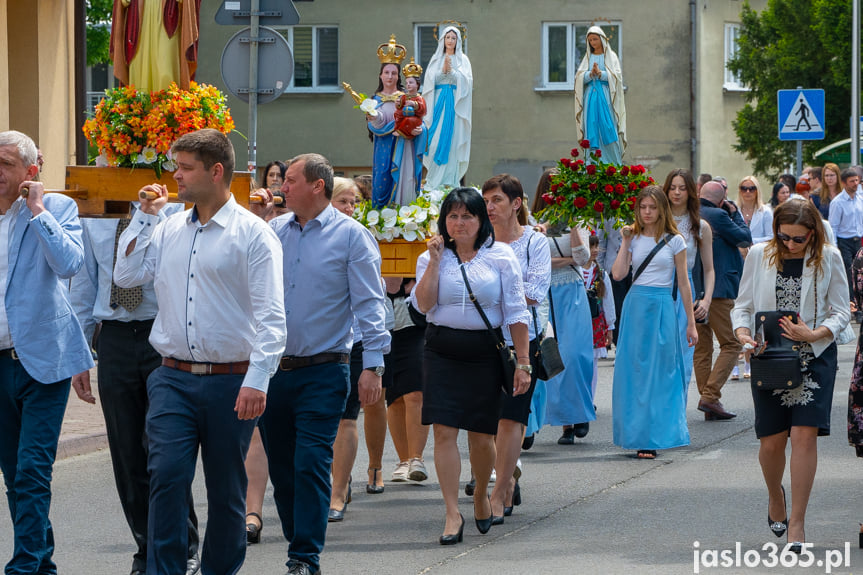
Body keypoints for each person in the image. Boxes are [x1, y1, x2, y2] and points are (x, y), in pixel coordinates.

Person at [113, 128, 287, 575]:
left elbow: (272, 317)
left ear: (216, 171)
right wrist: (144, 217)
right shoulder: (168, 226)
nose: (176, 176)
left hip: (232, 378)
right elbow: (127, 276)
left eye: (185, 167)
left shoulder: (253, 234)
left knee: (226, 490)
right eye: (176, 165)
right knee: (166, 478)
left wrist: (257, 379)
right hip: (171, 375)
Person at [251, 154, 390, 575]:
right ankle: (299, 537)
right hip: (274, 370)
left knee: (311, 461)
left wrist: (374, 365)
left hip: (325, 368)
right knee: (283, 468)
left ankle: (304, 557)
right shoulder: (273, 231)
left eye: (290, 180)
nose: (282, 186)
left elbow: (370, 303)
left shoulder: (352, 236)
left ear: (317, 186)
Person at [70, 201, 202, 575]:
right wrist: (81, 353)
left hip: (162, 334)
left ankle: (183, 547)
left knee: (164, 452)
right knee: (127, 453)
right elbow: (84, 284)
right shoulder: (95, 213)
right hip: (112, 337)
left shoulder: (176, 212)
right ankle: (146, 548)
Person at [412, 187, 531, 544]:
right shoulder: (432, 257)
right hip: (441, 350)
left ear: (481, 220)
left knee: (481, 435)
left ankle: (481, 493)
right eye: (453, 216)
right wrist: (434, 261)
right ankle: (451, 512)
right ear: (443, 220)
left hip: (484, 352)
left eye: (467, 216)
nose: (459, 223)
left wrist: (522, 361)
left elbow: (516, 312)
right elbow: (422, 305)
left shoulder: (501, 256)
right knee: (444, 431)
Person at [0, 131, 94, 575]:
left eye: (4, 164)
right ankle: (42, 564)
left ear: (29, 172)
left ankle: (24, 566)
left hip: (44, 362)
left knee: (32, 470)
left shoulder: (57, 209)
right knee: (14, 476)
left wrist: (37, 210)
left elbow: (70, 263)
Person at [733, 200, 849, 553]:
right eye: (784, 237)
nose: (791, 245)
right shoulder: (759, 254)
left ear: (812, 233)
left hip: (814, 355)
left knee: (803, 436)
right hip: (770, 355)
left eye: (799, 239)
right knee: (771, 441)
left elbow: (842, 310)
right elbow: (743, 305)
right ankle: (775, 496)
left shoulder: (829, 256)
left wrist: (816, 334)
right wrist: (743, 335)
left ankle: (797, 522)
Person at [482, 174, 551, 523]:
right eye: (486, 201)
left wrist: (490, 293)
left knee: (511, 417)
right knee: (487, 418)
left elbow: (534, 292)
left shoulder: (534, 244)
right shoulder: (478, 242)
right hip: (480, 340)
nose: (489, 207)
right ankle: (503, 476)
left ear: (516, 204)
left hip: (521, 342)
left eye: (496, 200)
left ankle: (501, 487)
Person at [611, 186, 697, 459]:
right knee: (634, 372)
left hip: (662, 306)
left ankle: (657, 434)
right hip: (636, 305)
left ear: (662, 209)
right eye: (642, 207)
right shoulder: (633, 238)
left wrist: (691, 323)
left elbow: (683, 284)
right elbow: (618, 274)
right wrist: (625, 243)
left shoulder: (675, 241)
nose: (647, 212)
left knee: (662, 373)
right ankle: (637, 436)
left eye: (652, 207)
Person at [326, 177, 393, 521]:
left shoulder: (359, 236)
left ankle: (338, 492)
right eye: (343, 202)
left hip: (352, 340)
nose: (350, 209)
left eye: (353, 202)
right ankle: (335, 479)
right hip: (315, 342)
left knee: (345, 418)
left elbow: (374, 295)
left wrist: (374, 356)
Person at [693, 181, 752, 420]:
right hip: (718, 290)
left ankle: (710, 401)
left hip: (695, 289)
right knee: (731, 344)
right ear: (721, 199)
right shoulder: (717, 214)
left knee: (702, 347)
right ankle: (709, 396)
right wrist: (736, 213)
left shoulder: (692, 212)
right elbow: (744, 238)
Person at [663, 169, 715, 389]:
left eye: (682, 188)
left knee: (683, 356)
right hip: (659, 288)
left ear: (691, 192)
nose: (676, 193)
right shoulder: (656, 222)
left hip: (685, 290)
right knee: (661, 357)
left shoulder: (700, 226)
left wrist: (706, 301)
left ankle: (677, 417)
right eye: (672, 187)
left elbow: (710, 269)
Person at [368, 45, 426, 207]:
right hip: (384, 147)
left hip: (403, 146)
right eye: (386, 72)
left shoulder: (407, 97)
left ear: (398, 76)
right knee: (381, 181)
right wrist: (373, 117)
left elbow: (421, 119)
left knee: (404, 179)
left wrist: (420, 130)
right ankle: (381, 218)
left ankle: (402, 214)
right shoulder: (375, 100)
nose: (390, 76)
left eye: (394, 73)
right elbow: (376, 124)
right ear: (380, 75)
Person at [384, 277, 429, 483]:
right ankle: (403, 461)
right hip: (384, 323)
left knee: (415, 392)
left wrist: (416, 282)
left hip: (415, 325)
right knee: (394, 398)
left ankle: (416, 459)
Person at [421, 25, 473, 190]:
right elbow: (429, 83)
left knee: (452, 143)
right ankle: (433, 181)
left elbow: (467, 83)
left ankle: (449, 182)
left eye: (453, 38)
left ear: (458, 41)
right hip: (438, 105)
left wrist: (453, 74)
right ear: (442, 40)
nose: (450, 41)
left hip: (454, 106)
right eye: (447, 37)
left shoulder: (463, 59)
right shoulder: (436, 58)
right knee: (434, 142)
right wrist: (442, 72)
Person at [111, 0, 200, 91]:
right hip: (138, 17)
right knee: (139, 69)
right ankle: (140, 103)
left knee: (166, 69)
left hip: (168, 14)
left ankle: (167, 103)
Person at [574, 26, 626, 164]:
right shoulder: (587, 58)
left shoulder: (611, 56)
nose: (593, 42)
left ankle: (613, 163)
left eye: (595, 39)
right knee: (591, 126)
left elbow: (617, 78)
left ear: (602, 39)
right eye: (590, 40)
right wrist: (590, 74)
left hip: (606, 96)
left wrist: (601, 74)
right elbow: (579, 78)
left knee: (609, 127)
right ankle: (592, 164)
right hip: (591, 97)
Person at [582, 234, 616, 395]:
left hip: (596, 322)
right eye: (591, 246)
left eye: (596, 246)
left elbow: (608, 302)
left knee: (593, 363)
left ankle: (590, 396)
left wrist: (610, 327)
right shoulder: (575, 271)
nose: (595, 250)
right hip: (578, 320)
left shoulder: (601, 273)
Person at [828, 168, 863, 320]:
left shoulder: (860, 198)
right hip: (845, 242)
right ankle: (854, 307)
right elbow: (833, 227)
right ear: (844, 183)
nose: (855, 184)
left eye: (857, 180)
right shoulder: (838, 202)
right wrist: (834, 247)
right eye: (852, 181)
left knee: (860, 275)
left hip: (859, 240)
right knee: (850, 275)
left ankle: (860, 305)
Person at [393, 58, 427, 139]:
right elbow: (400, 106)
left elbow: (423, 111)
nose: (408, 85)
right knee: (397, 114)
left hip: (414, 119)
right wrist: (398, 104)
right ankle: (399, 129)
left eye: (411, 82)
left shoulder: (419, 98)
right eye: (407, 83)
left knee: (409, 120)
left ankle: (401, 131)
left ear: (417, 84)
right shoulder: (405, 96)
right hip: (404, 116)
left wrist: (414, 104)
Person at [737, 175, 773, 244]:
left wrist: (751, 242)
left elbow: (771, 237)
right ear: (740, 191)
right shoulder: (734, 210)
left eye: (752, 189)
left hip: (759, 252)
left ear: (757, 191)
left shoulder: (766, 211)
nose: (747, 192)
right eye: (744, 188)